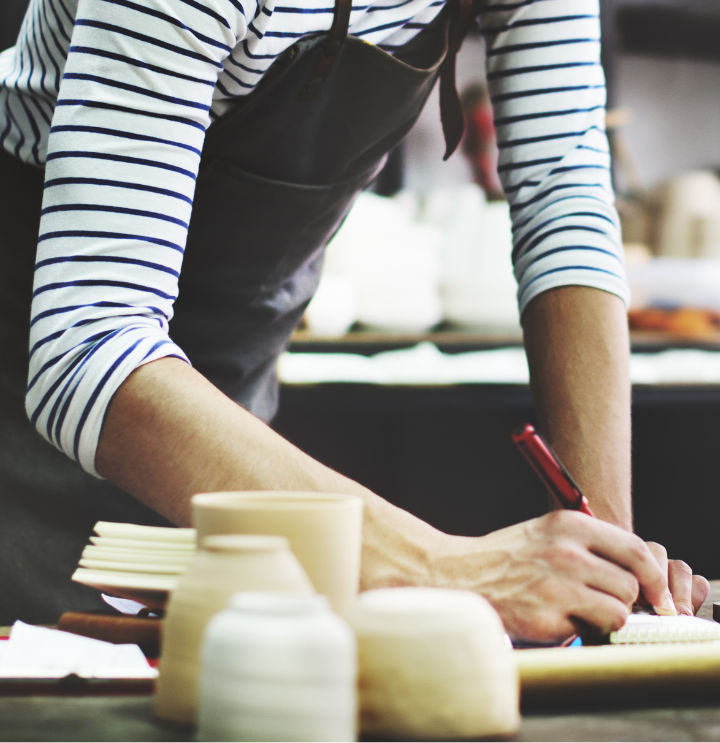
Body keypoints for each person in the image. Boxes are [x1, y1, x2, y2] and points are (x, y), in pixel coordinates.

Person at [0, 0, 709, 637]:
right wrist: (445, 570)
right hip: (27, 394)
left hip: (226, 417)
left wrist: (607, 560)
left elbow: (565, 198)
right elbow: (85, 342)